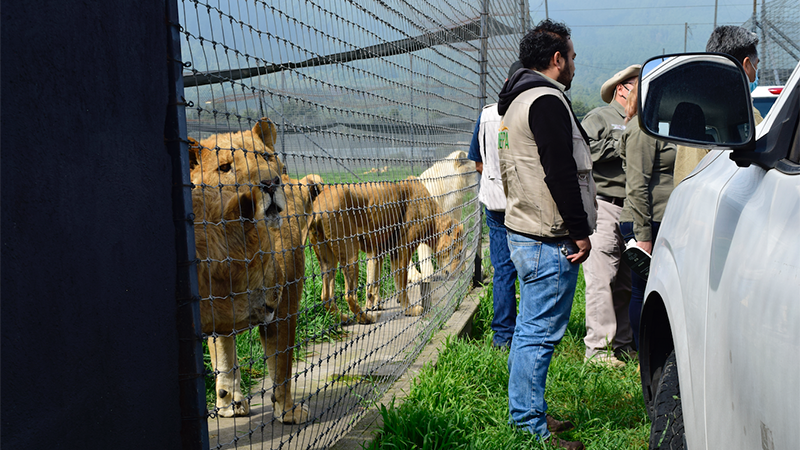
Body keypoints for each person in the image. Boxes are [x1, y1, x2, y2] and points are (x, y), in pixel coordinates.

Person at [498, 19, 593, 450]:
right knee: (538, 335)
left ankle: (527, 410)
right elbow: (560, 173)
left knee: (528, 331)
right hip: (548, 237)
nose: (574, 64)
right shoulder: (547, 101)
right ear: (556, 60)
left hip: (522, 230)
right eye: (571, 56)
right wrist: (580, 232)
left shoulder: (514, 102)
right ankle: (529, 426)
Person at [579, 65, 640, 368]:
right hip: (604, 204)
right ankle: (598, 352)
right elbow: (585, 152)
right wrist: (623, 139)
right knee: (601, 278)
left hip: (633, 208)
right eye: (639, 85)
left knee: (626, 281)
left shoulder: (646, 120)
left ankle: (623, 344)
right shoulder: (599, 118)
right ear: (622, 88)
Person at [467, 61, 524, 350]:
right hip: (525, 204)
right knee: (528, 267)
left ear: (505, 79)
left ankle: (502, 336)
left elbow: (477, 161)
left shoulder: (487, 114)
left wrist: (493, 177)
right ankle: (529, 333)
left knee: (503, 270)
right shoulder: (530, 109)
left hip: (494, 203)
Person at [618, 78, 676, 349]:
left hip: (660, 219)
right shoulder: (643, 131)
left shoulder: (660, 128)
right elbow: (637, 185)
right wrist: (643, 236)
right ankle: (645, 355)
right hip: (646, 222)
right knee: (642, 290)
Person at [674, 25, 763, 185]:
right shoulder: (748, 115)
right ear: (747, 65)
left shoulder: (703, 111)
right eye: (757, 65)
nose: (757, 73)